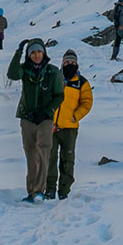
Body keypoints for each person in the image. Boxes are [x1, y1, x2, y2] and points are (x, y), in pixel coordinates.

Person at [6, 40, 66, 203]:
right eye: (32, 52)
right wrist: (18, 52)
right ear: (28, 55)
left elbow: (60, 95)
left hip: (45, 119)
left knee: (43, 151)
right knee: (31, 153)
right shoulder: (25, 70)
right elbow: (11, 74)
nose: (36, 55)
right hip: (27, 117)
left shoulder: (53, 72)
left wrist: (47, 111)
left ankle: (39, 190)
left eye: (39, 52)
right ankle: (32, 191)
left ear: (44, 53)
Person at [50, 50, 92, 200]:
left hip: (70, 129)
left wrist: (75, 116)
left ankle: (64, 191)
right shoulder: (54, 78)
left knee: (68, 161)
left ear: (77, 64)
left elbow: (87, 103)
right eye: (67, 62)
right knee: (50, 159)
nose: (70, 64)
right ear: (62, 64)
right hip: (51, 127)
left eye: (72, 62)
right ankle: (49, 190)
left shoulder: (82, 82)